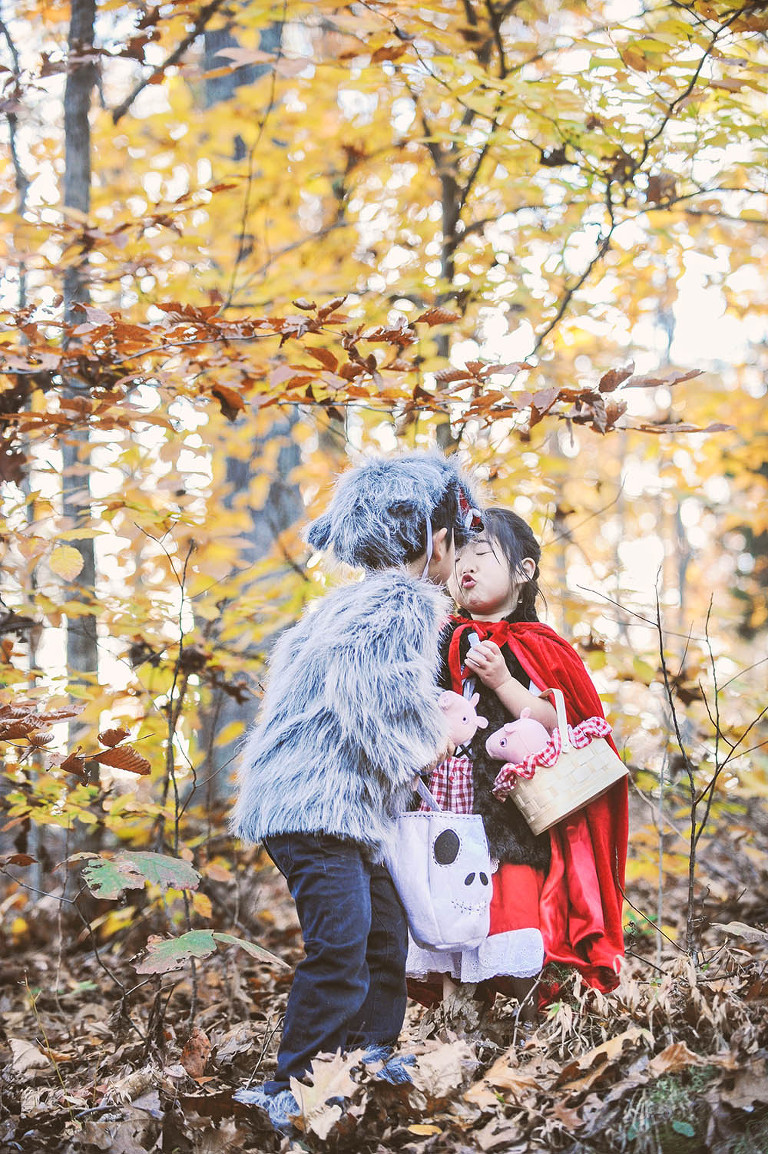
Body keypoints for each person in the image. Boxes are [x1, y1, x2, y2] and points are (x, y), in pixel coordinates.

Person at [230, 450, 482, 1133]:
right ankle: (293, 1087)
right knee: (342, 943)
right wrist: (439, 731)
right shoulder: (400, 602)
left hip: (335, 810)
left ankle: (367, 1062)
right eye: (457, 538)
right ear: (431, 535)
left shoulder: (353, 603)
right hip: (315, 807)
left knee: (383, 936)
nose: (458, 556)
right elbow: (375, 703)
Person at [407, 508, 628, 1015]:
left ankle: (527, 1018)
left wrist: (503, 682)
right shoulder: (437, 638)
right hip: (446, 799)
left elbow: (562, 721)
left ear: (524, 571)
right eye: (459, 556)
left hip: (511, 811)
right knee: (447, 899)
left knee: (512, 905)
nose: (467, 566)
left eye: (482, 555)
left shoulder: (540, 645)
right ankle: (453, 1018)